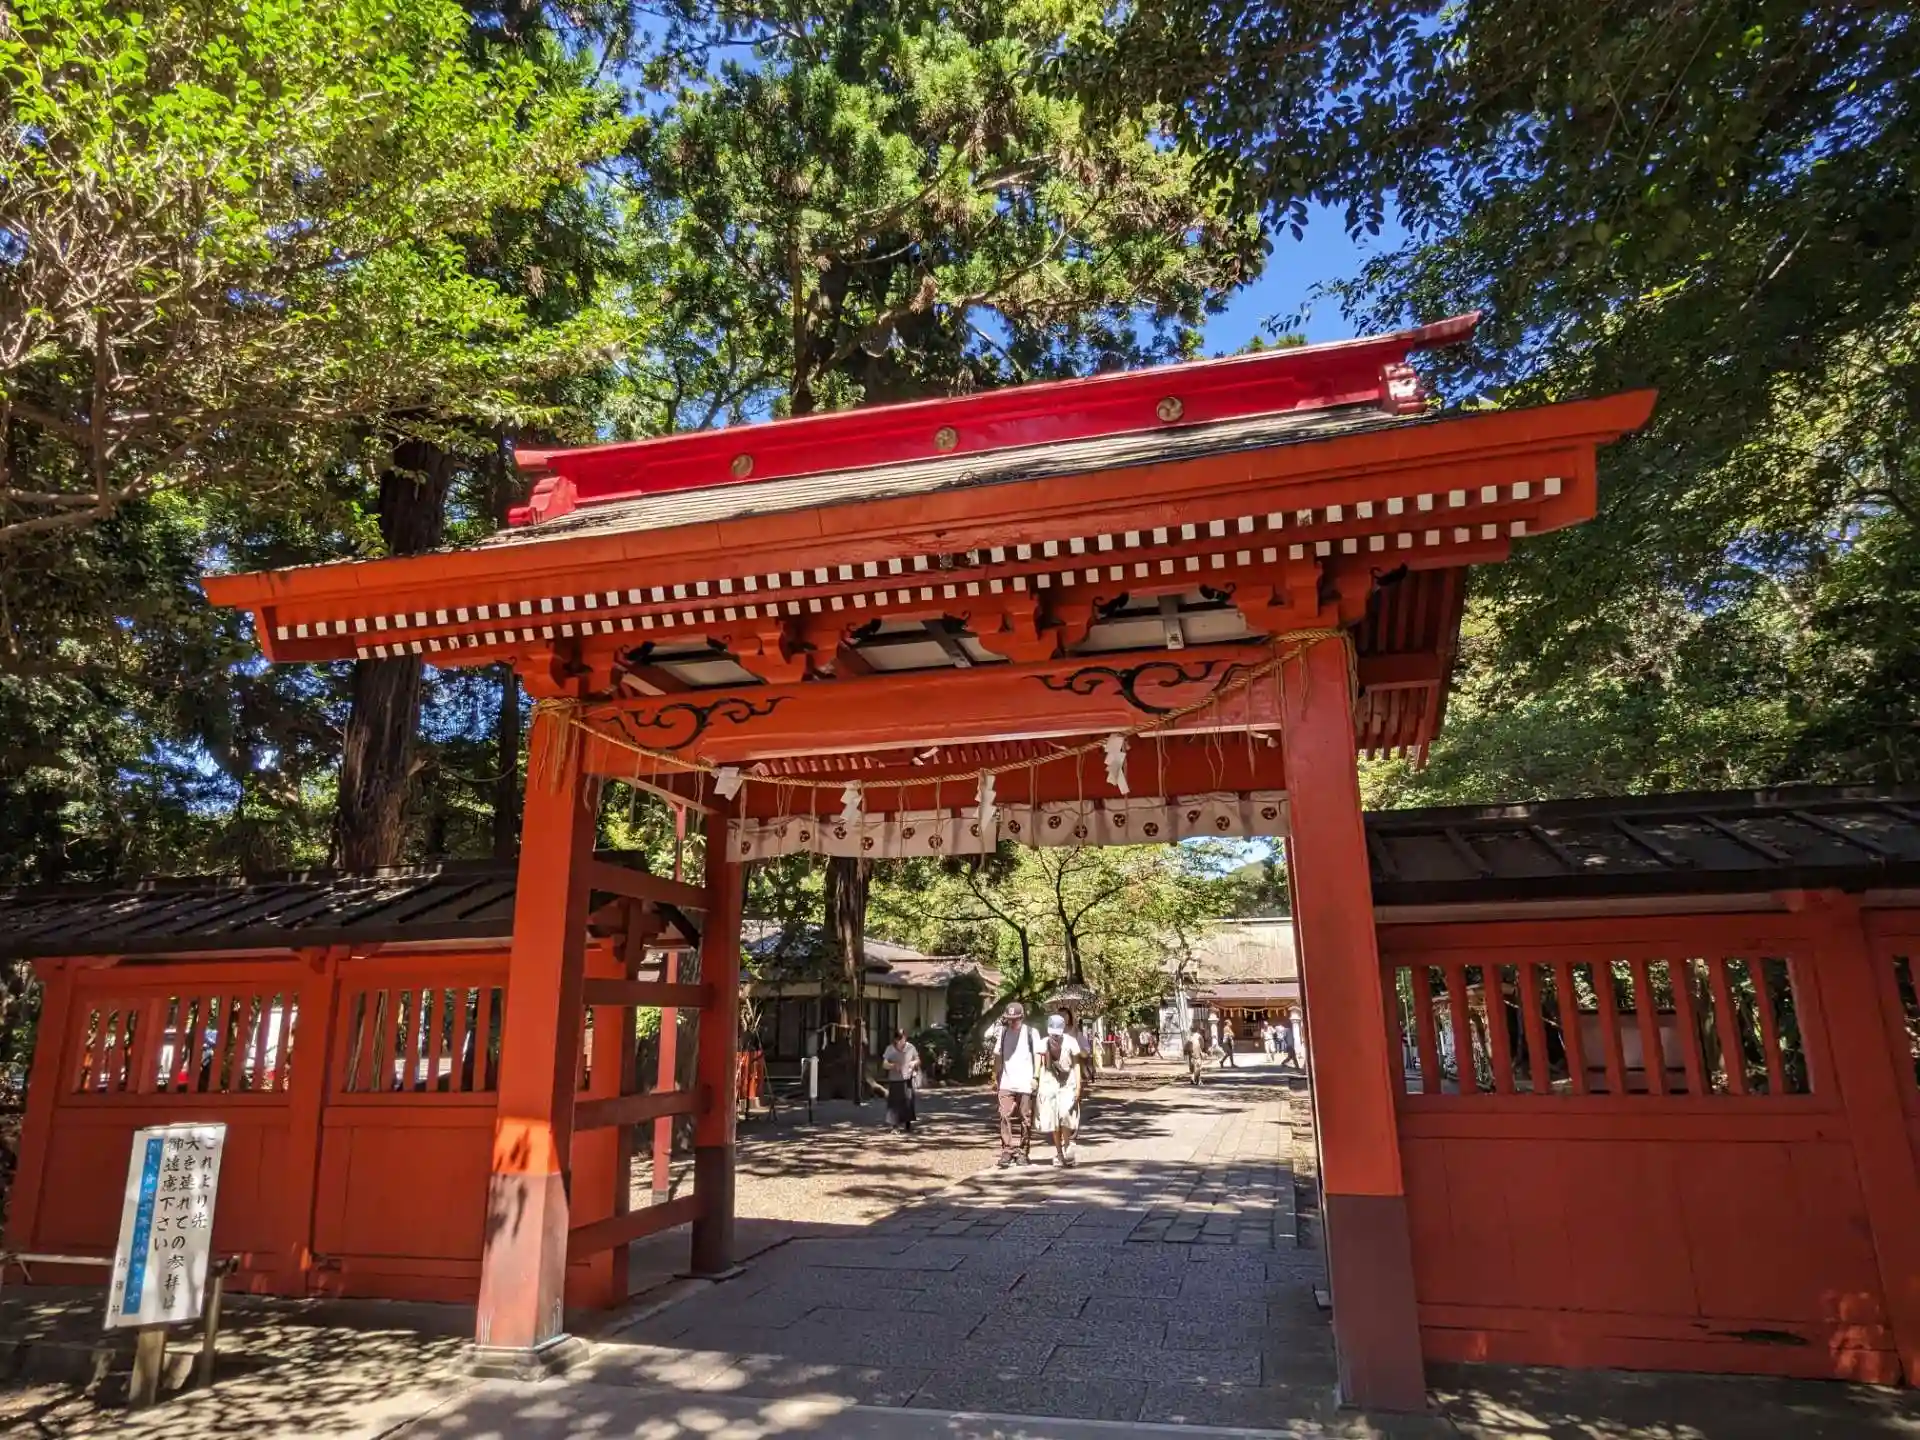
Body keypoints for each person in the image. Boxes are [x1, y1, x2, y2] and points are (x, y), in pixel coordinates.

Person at [993, 1003, 1041, 1167]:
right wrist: (995, 1076)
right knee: (1004, 1115)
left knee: (1025, 1118)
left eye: (1015, 1019)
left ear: (1022, 1017)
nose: (1012, 1022)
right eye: (1009, 1019)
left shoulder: (1031, 1033)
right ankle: (1007, 1150)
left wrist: (1036, 1076)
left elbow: (1038, 1055)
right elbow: (998, 1055)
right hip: (1007, 1081)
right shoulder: (1003, 1033)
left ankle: (1023, 1151)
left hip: (1025, 1082)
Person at [1036, 1011, 1084, 1166]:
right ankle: (1059, 1153)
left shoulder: (1071, 1042)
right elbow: (1039, 1065)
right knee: (1053, 1120)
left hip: (1067, 1082)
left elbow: (1076, 1064)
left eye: (1057, 1033)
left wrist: (1078, 1085)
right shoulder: (1043, 1043)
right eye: (1053, 1033)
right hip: (1049, 1083)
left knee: (1064, 1114)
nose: (1055, 1036)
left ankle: (1067, 1144)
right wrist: (1036, 1081)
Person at [882, 1028, 920, 1132]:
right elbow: (884, 1064)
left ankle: (908, 1125)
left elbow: (917, 1059)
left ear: (905, 1038)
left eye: (901, 1039)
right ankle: (895, 1127)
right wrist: (893, 1065)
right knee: (895, 1104)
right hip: (895, 1079)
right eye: (897, 1040)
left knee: (908, 1101)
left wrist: (914, 1063)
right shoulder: (890, 1049)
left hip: (907, 1078)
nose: (899, 1042)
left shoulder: (910, 1047)